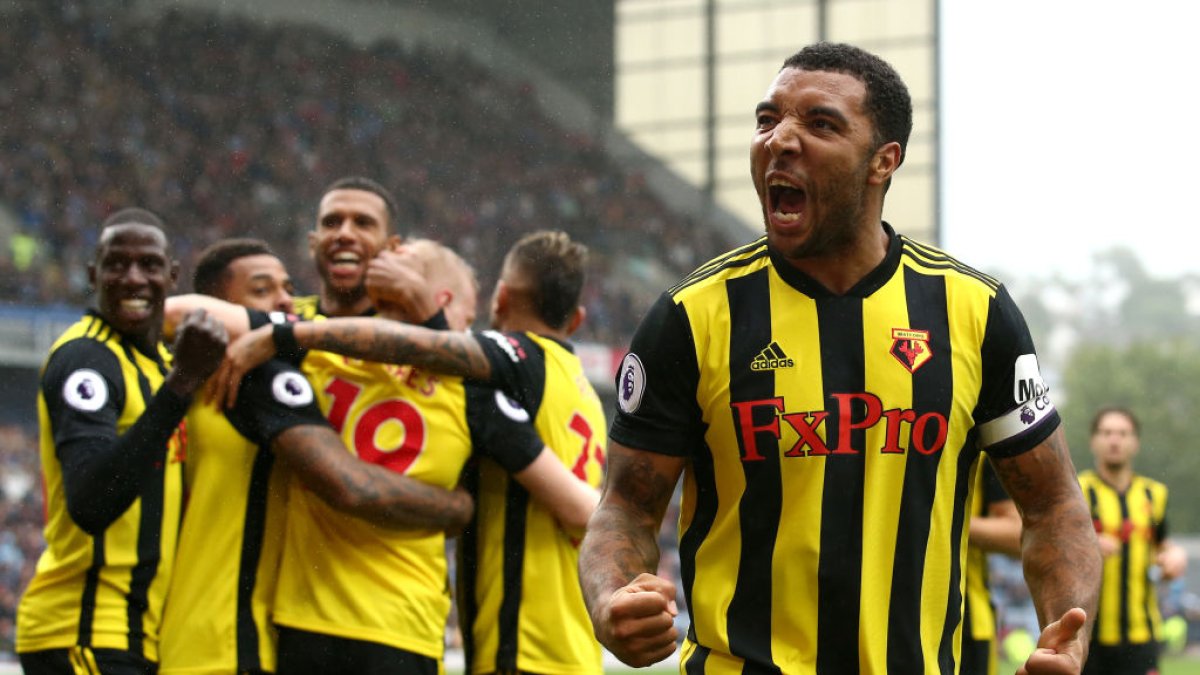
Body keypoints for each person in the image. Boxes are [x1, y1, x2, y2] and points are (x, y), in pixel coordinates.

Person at [572, 42, 1100, 675]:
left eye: (820, 124)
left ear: (884, 161)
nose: (780, 141)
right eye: (768, 120)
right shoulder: (691, 316)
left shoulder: (974, 311)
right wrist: (611, 597)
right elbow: (625, 507)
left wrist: (1064, 635)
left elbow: (1054, 507)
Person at [213, 230, 608, 674]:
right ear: (576, 320)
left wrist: (288, 337)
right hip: (545, 639)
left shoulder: (485, 383)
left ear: (498, 302)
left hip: (519, 645)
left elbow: (581, 510)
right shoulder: (580, 393)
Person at [157, 238, 474, 675]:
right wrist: (456, 507)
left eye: (287, 288)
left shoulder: (319, 351)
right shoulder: (284, 364)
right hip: (241, 637)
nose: (286, 302)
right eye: (264, 291)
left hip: (322, 629)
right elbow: (348, 486)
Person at [16, 209, 228, 674]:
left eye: (149, 265)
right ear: (93, 274)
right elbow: (91, 501)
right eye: (117, 264)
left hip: (133, 636)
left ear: (172, 275)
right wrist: (183, 385)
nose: (134, 278)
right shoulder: (87, 359)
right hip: (84, 631)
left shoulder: (156, 367)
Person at [1078, 406, 1187, 675]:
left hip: (1142, 635)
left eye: (1123, 433)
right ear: (1094, 441)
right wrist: (1088, 544)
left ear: (1135, 442)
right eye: (1106, 433)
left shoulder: (1154, 494)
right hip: (1088, 636)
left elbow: (1161, 544)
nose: (1114, 440)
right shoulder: (1077, 490)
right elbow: (1052, 545)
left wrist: (1175, 554)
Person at [963, 456, 1022, 675]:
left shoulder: (980, 450)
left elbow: (1018, 535)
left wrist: (936, 517)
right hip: (861, 619)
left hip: (965, 623)